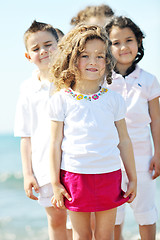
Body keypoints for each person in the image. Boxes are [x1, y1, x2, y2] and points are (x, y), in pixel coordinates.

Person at [48, 24, 137, 240]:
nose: (93, 62)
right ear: (71, 59)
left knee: (105, 234)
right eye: (85, 56)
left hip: (109, 174)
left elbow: (124, 141)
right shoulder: (61, 99)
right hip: (75, 176)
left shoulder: (114, 99)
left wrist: (132, 178)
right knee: (82, 234)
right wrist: (55, 183)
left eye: (99, 56)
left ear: (107, 61)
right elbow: (54, 143)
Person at [14, 20, 72, 240]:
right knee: (56, 220)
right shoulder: (27, 88)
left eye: (48, 44)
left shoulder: (71, 81)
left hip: (74, 162)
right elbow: (25, 135)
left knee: (82, 220)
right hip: (44, 167)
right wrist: (28, 173)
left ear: (60, 45)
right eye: (36, 49)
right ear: (29, 56)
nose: (44, 51)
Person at [105, 16, 160, 240]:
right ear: (107, 47)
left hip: (142, 159)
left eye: (129, 40)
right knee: (113, 218)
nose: (123, 47)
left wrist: (158, 153)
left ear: (138, 42)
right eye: (116, 42)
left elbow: (156, 121)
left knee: (146, 215)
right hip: (110, 161)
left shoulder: (149, 80)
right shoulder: (102, 81)